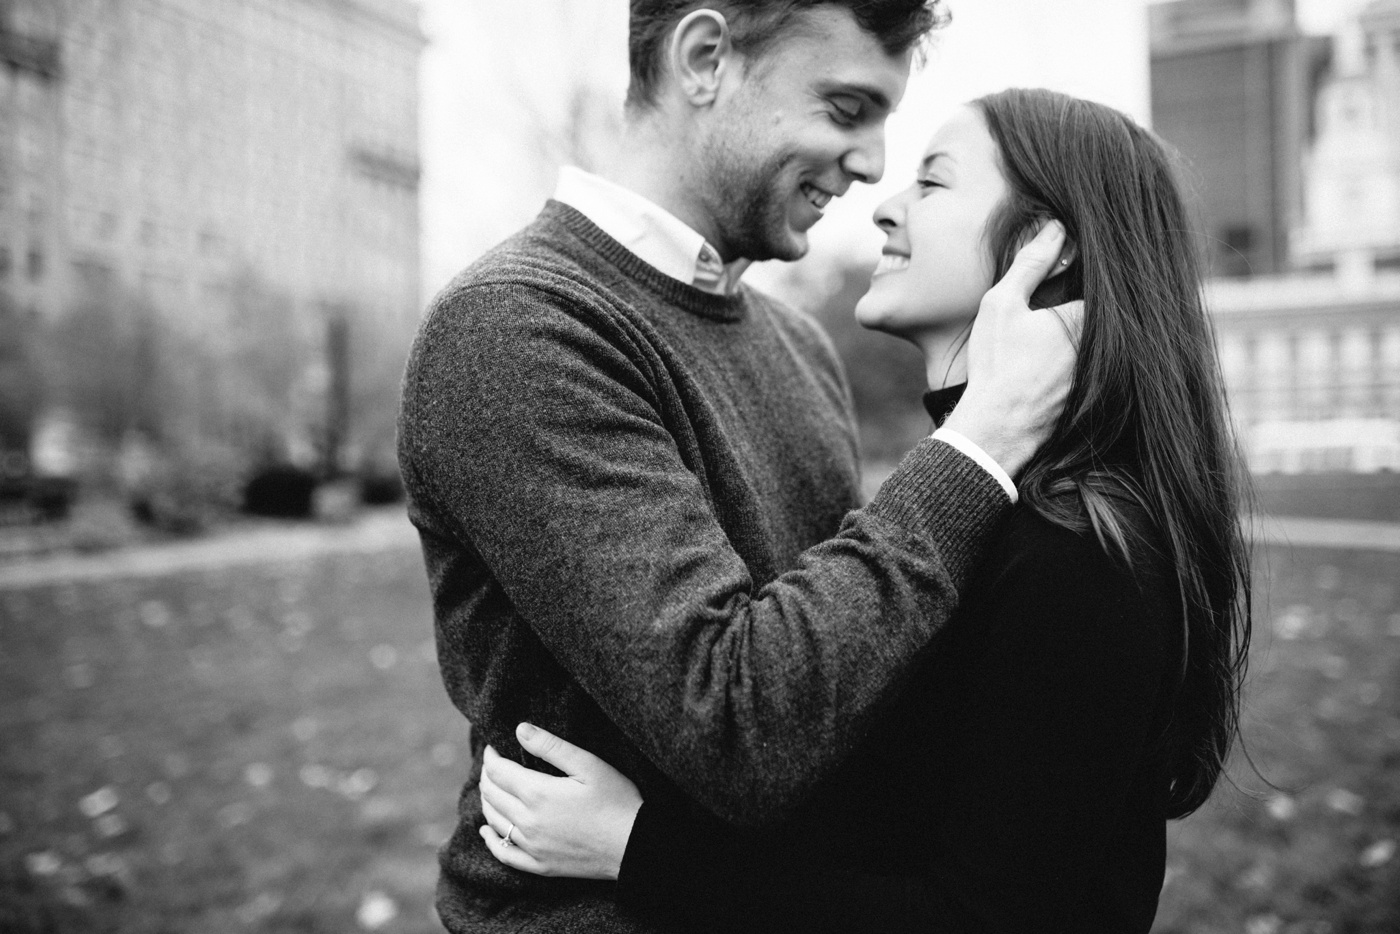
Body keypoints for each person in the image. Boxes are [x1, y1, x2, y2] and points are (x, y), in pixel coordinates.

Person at [473, 89, 1254, 934]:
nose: (884, 206)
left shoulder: (1079, 550)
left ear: (1041, 246)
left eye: (933, 183)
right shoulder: (990, 507)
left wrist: (637, 846)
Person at [398, 2, 1083, 930]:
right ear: (706, 58)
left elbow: (848, 693)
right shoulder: (518, 329)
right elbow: (741, 727)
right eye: (846, 109)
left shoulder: (796, 345)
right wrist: (980, 444)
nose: (874, 163)